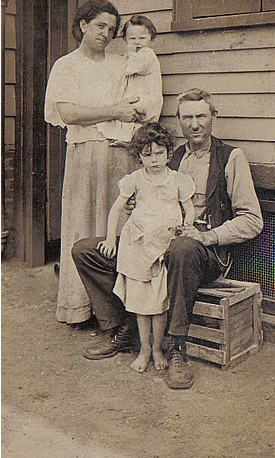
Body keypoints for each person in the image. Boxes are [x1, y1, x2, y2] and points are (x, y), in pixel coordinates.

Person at [72, 88, 263, 389]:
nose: (195, 124)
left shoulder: (230, 158)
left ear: (214, 117)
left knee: (182, 248)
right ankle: (123, 328)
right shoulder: (168, 157)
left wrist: (208, 236)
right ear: (179, 120)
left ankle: (176, 347)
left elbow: (252, 221)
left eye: (201, 115)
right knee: (85, 251)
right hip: (156, 242)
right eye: (187, 117)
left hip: (204, 253)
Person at [44, 0, 144, 326]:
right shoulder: (67, 66)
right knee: (83, 225)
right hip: (85, 156)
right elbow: (69, 113)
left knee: (115, 227)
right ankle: (80, 309)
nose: (106, 33)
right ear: (84, 24)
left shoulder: (119, 63)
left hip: (119, 154)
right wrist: (115, 111)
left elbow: (138, 99)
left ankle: (118, 314)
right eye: (100, 26)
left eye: (112, 30)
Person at [97, 123, 195, 373]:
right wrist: (110, 239)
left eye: (160, 153)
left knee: (159, 302)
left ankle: (158, 349)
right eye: (148, 154)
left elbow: (189, 207)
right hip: (139, 246)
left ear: (169, 153)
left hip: (163, 246)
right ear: (139, 156)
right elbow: (116, 208)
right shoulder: (135, 180)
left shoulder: (177, 180)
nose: (155, 159)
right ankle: (143, 350)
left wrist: (188, 226)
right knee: (142, 304)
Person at [97, 15, 163, 144]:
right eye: (132, 39)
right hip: (136, 95)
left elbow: (134, 66)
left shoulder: (147, 54)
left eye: (142, 38)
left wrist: (131, 52)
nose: (137, 42)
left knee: (136, 116)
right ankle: (127, 139)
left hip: (146, 97)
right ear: (125, 39)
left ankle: (129, 139)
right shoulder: (132, 56)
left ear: (151, 39)